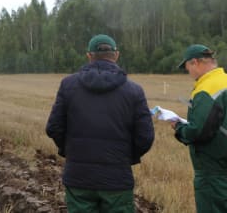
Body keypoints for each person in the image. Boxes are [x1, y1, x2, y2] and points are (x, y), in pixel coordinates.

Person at [46, 34, 154, 213]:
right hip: (117, 180)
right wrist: (125, 157)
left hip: (78, 179)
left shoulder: (68, 85)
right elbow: (145, 137)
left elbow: (53, 128)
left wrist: (71, 151)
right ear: (116, 55)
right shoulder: (134, 91)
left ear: (89, 55)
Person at [173, 44, 227, 213]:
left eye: (188, 68)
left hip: (214, 170)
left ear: (195, 62)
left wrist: (179, 128)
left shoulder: (206, 89)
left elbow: (198, 131)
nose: (189, 74)